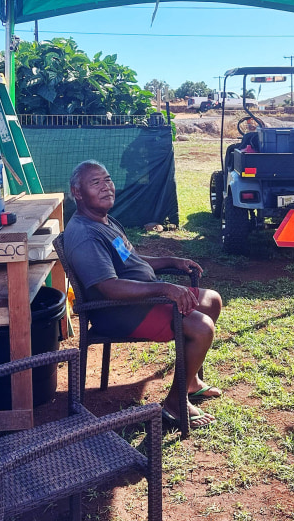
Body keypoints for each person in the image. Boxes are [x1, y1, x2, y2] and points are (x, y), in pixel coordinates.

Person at [64, 160, 223, 429]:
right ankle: (174, 404)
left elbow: (130, 259)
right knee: (202, 327)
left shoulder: (103, 220)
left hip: (141, 300)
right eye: (96, 183)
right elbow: (109, 287)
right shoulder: (85, 235)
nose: (106, 187)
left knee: (211, 300)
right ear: (77, 192)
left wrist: (171, 260)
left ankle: (190, 381)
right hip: (120, 311)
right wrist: (164, 288)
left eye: (108, 180)